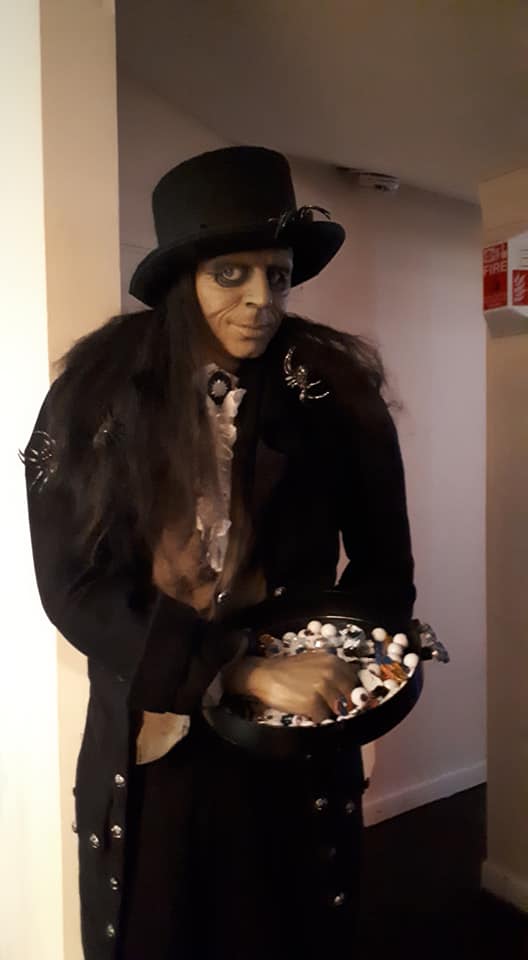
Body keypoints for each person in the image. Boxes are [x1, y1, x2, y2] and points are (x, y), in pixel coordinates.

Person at [23, 146, 416, 960]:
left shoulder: (330, 388)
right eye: (230, 274)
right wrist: (234, 671)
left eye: (277, 274)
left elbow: (385, 565)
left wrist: (354, 670)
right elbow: (73, 583)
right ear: (183, 279)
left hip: (290, 750)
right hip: (155, 747)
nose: (260, 300)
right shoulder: (95, 394)